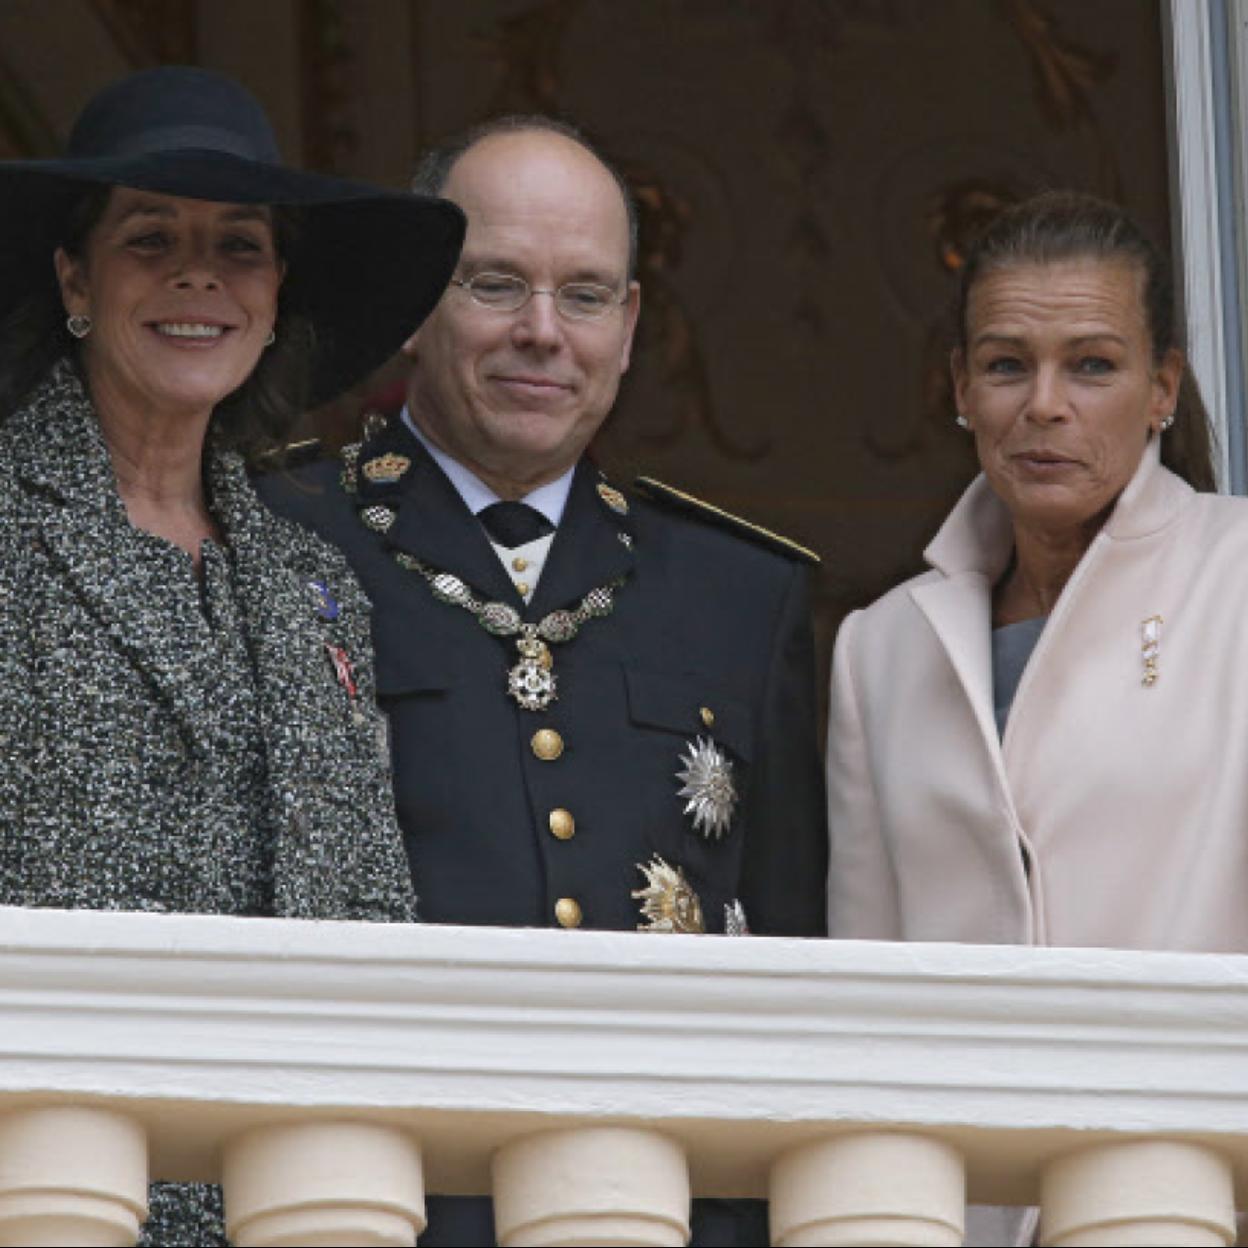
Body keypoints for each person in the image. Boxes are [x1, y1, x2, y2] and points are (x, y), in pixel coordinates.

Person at [260, 115, 827, 1245]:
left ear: (627, 328)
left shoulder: (739, 593)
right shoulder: (280, 536)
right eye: (496, 285)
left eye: (583, 295)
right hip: (369, 1202)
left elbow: (798, 979)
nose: (540, 334)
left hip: (668, 1208)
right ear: (418, 307)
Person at [0, 66, 463, 1246]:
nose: (198, 276)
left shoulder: (313, 587)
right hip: (49, 1187)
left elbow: (374, 917)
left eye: (240, 247)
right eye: (151, 238)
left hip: (293, 1201)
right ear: (75, 280)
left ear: (272, 300)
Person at [826, 189, 1239, 952]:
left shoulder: (1235, 584)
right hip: (953, 1073)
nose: (1044, 404)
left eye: (1092, 365)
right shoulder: (879, 648)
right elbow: (867, 969)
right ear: (962, 388)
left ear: (1162, 388)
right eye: (1007, 365)